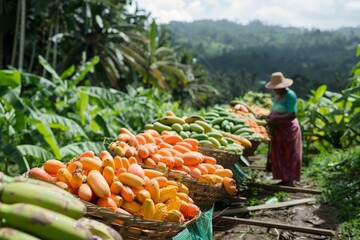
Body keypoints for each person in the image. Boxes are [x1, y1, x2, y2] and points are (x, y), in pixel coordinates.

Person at [264, 72, 302, 187]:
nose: (275, 90)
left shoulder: (290, 95)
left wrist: (275, 118)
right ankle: (283, 178)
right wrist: (267, 116)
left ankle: (290, 179)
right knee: (279, 153)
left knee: (289, 153)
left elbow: (292, 114)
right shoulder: (278, 96)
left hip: (288, 130)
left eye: (277, 88)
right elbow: (275, 111)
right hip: (278, 130)